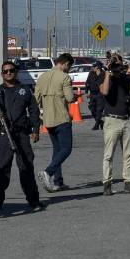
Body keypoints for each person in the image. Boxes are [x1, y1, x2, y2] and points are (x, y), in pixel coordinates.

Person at [0, 61, 44, 211]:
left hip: (21, 134)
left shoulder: (25, 90)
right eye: (5, 71)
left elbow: (34, 111)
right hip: (4, 135)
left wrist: (36, 130)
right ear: (2, 74)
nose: (8, 73)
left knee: (26, 167)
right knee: (2, 168)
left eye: (11, 70)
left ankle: (34, 201)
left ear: (15, 72)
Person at [99, 52, 130, 195]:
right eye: (114, 63)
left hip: (126, 120)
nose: (116, 65)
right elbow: (104, 91)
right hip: (111, 120)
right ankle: (107, 184)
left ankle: (129, 182)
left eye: (118, 63)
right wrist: (108, 73)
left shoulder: (125, 77)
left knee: (129, 154)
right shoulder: (105, 76)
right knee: (108, 155)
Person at [35, 52, 76, 192]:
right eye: (69, 67)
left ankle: (58, 182)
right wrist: (76, 96)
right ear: (65, 64)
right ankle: (48, 172)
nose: (68, 70)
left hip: (48, 120)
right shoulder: (65, 77)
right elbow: (69, 98)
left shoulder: (42, 77)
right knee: (66, 149)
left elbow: (36, 100)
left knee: (57, 150)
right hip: (62, 118)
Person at [86, 61, 106, 130]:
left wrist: (99, 75)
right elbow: (87, 82)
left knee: (99, 110)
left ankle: (97, 124)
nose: (92, 67)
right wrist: (87, 91)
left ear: (98, 68)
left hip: (100, 94)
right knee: (92, 108)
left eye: (94, 66)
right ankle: (100, 122)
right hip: (92, 94)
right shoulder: (91, 73)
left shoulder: (103, 74)